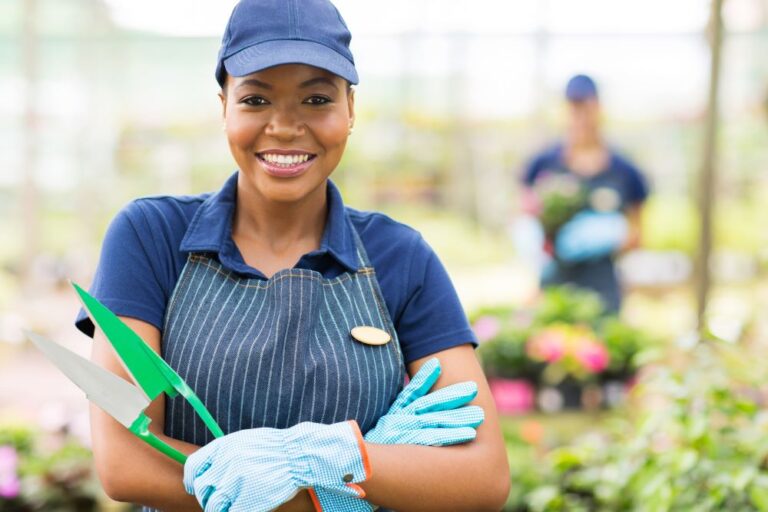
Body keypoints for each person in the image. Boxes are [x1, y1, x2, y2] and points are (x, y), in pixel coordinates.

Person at [74, 0, 510, 510]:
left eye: (316, 99)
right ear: (224, 108)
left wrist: (316, 456)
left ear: (350, 111)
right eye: (256, 100)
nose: (284, 127)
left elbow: (483, 476)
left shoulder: (400, 256)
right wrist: (338, 487)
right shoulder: (151, 238)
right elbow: (126, 461)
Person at [519, 74, 650, 313]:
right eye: (573, 107)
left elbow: (638, 235)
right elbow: (523, 213)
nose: (580, 116)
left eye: (586, 106)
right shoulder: (543, 164)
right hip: (553, 287)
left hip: (603, 290)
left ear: (598, 108)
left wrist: (611, 237)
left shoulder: (625, 171)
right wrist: (534, 241)